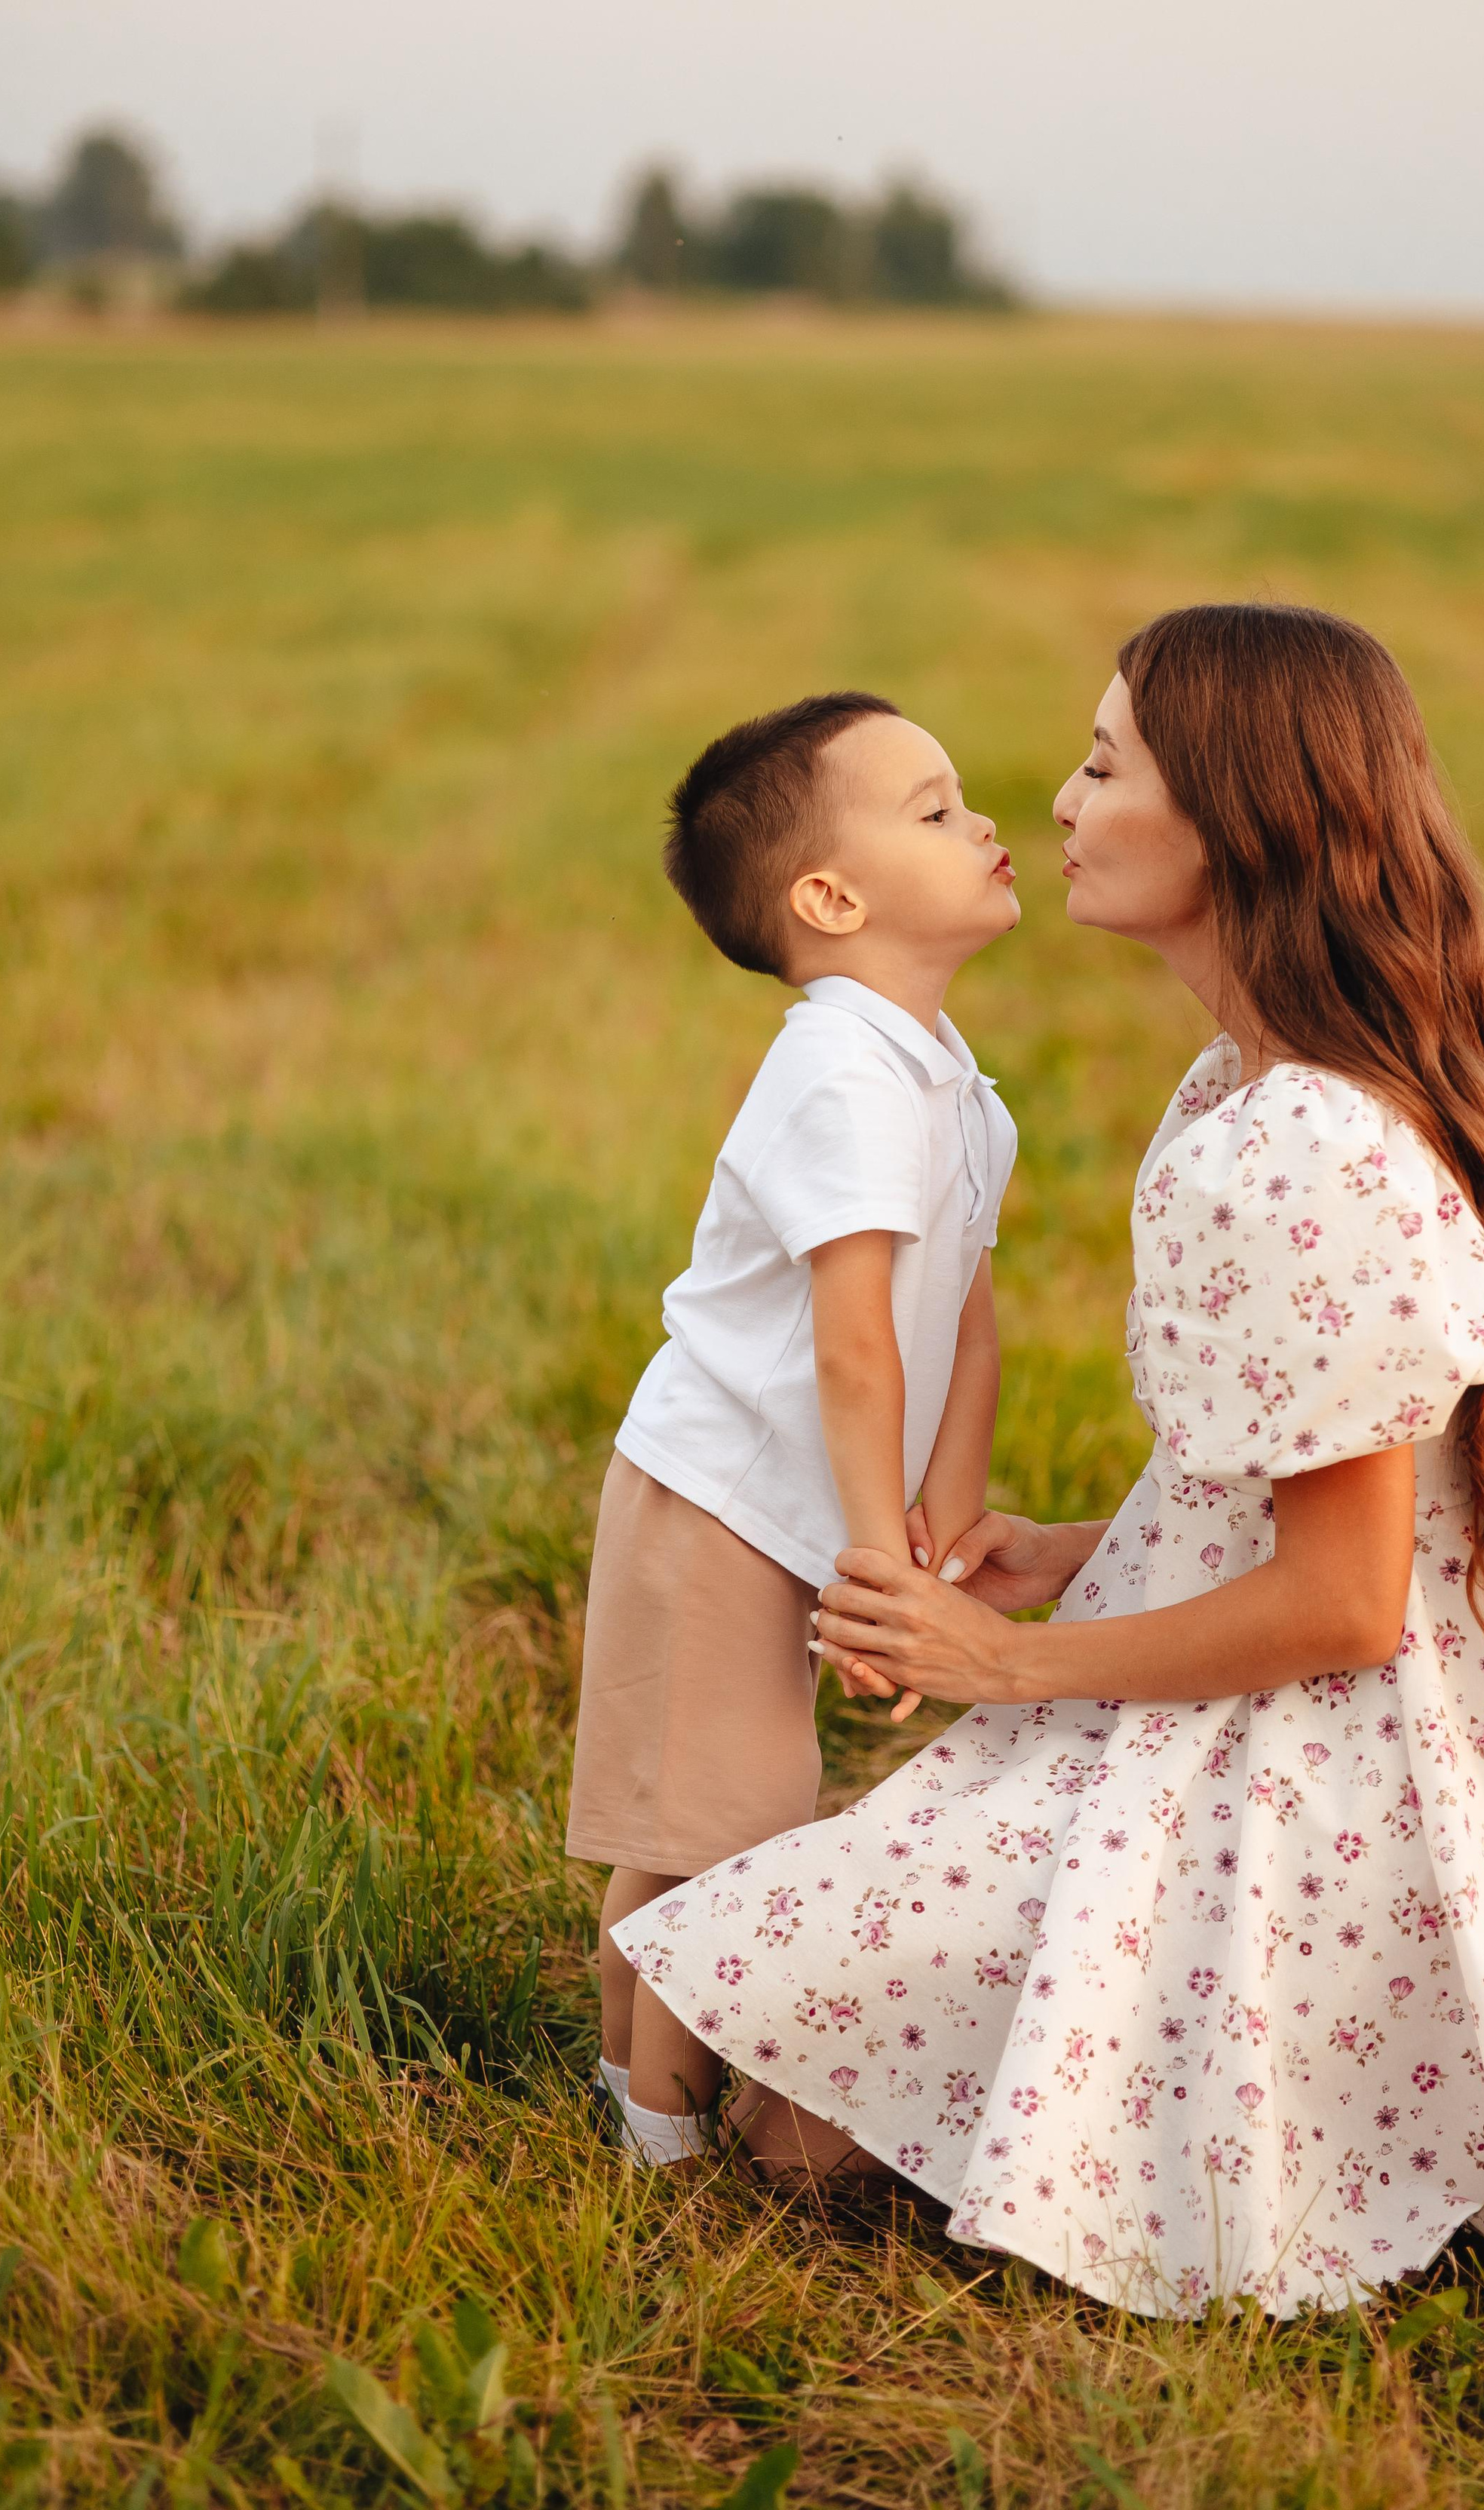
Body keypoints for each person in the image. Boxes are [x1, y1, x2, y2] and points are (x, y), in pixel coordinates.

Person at [616, 603, 1484, 2315]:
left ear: (1234, 825)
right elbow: (1341, 1485)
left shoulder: (1296, 1151)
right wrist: (1085, 1540)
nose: (1054, 800)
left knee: (801, 2138)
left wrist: (1005, 1663)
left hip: (1324, 1757)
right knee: (811, 2065)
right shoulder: (1243, 1087)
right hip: (1242, 1677)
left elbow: (1343, 1603)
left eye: (1105, 765)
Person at [567, 689, 1020, 2165]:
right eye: (935, 810)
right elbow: (848, 1346)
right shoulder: (837, 1065)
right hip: (720, 1497)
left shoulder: (951, 1083)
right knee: (728, 1827)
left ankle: (633, 2063)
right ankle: (657, 2135)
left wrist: (938, 1533)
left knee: (707, 1809)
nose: (988, 823)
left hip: (788, 1497)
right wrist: (867, 1542)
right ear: (828, 899)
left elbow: (961, 1312)